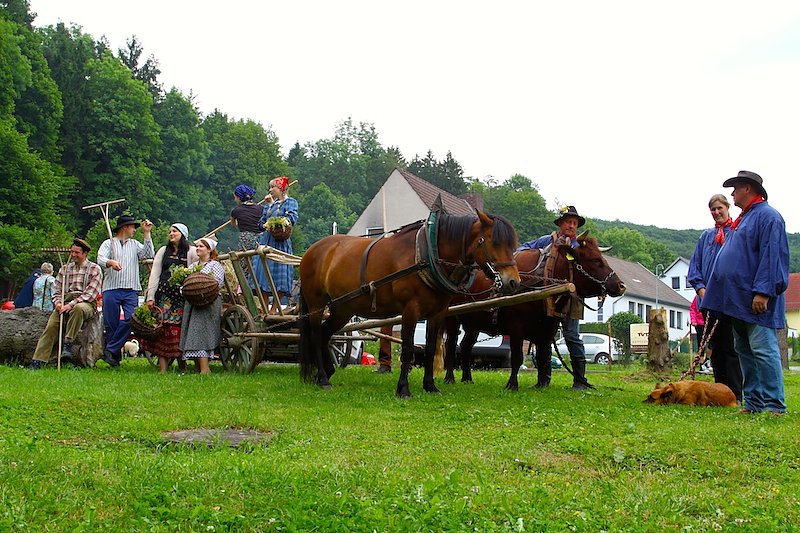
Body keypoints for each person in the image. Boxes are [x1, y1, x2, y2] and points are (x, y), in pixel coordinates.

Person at [701, 171, 790, 415]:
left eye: (735, 188)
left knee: (763, 350)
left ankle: (774, 405)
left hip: (755, 300)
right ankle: (753, 403)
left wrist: (763, 292)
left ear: (748, 189)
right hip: (737, 301)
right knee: (745, 352)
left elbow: (772, 257)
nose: (732, 193)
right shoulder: (745, 218)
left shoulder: (768, 217)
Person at [518, 205, 590, 390]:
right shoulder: (546, 241)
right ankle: (543, 380)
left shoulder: (580, 247)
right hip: (547, 297)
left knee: (572, 336)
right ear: (561, 224)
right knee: (544, 337)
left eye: (574, 223)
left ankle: (580, 381)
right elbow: (523, 248)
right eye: (568, 222)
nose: (571, 226)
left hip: (571, 297)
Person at [687, 193, 743, 399]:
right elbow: (695, 269)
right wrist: (702, 291)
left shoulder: (737, 232)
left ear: (728, 208)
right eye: (713, 209)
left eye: (720, 208)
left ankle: (735, 393)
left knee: (732, 348)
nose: (717, 212)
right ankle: (719, 391)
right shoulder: (706, 237)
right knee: (716, 348)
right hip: (709, 302)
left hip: (731, 301)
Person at [27, 239, 103, 370]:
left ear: (84, 253)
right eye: (72, 252)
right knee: (51, 326)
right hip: (65, 302)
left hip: (85, 304)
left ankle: (67, 343)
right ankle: (38, 360)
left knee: (78, 309)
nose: (73, 255)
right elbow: (56, 289)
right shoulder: (65, 269)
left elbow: (90, 294)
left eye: (76, 252)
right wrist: (58, 303)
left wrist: (71, 304)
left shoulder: (95, 269)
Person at [97, 215, 154, 367]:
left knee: (132, 319)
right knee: (111, 324)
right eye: (133, 227)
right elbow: (100, 258)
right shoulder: (109, 243)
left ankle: (109, 349)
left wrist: (147, 234)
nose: (135, 230)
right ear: (125, 228)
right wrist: (110, 262)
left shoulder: (135, 244)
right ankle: (114, 359)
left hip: (131, 289)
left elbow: (148, 255)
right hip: (111, 288)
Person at [143, 223, 198, 373]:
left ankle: (182, 366)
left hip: (181, 298)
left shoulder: (191, 251)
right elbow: (155, 273)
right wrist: (150, 296)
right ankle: (163, 369)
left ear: (183, 234)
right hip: (163, 297)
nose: (171, 234)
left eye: (175, 231)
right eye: (170, 232)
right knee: (161, 330)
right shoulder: (163, 251)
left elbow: (195, 271)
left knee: (178, 331)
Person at [253, 176, 298, 314]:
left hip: (280, 242)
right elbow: (260, 224)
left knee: (281, 274)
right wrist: (266, 222)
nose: (270, 190)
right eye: (270, 187)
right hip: (266, 241)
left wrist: (278, 222)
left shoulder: (290, 202)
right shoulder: (268, 205)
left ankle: (275, 308)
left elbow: (292, 218)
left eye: (273, 187)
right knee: (262, 273)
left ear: (282, 189)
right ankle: (265, 308)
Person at [180, 237, 224, 374]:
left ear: (209, 250)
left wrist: (202, 290)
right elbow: (184, 284)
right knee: (193, 334)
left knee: (202, 335)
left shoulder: (215, 265)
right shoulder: (193, 266)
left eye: (201, 246)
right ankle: (199, 368)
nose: (198, 248)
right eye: (197, 246)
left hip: (208, 304)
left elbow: (217, 284)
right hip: (193, 304)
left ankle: (205, 370)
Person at [230, 184, 263, 288]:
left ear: (239, 197)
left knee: (244, 263)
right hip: (261, 238)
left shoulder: (236, 210)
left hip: (246, 238)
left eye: (235, 197)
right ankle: (257, 286)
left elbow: (233, 224)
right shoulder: (260, 208)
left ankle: (243, 288)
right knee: (257, 263)